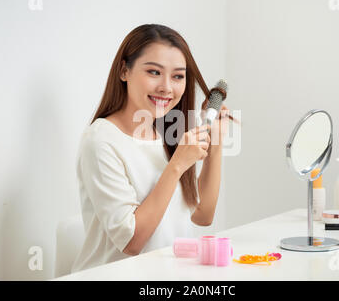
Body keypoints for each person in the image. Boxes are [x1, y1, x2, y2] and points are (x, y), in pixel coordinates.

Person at [71, 24, 231, 273]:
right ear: (124, 71)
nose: (167, 87)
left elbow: (202, 215)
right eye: (154, 72)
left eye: (178, 76)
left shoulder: (167, 133)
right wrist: (177, 165)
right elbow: (131, 241)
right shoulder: (101, 140)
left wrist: (216, 144)